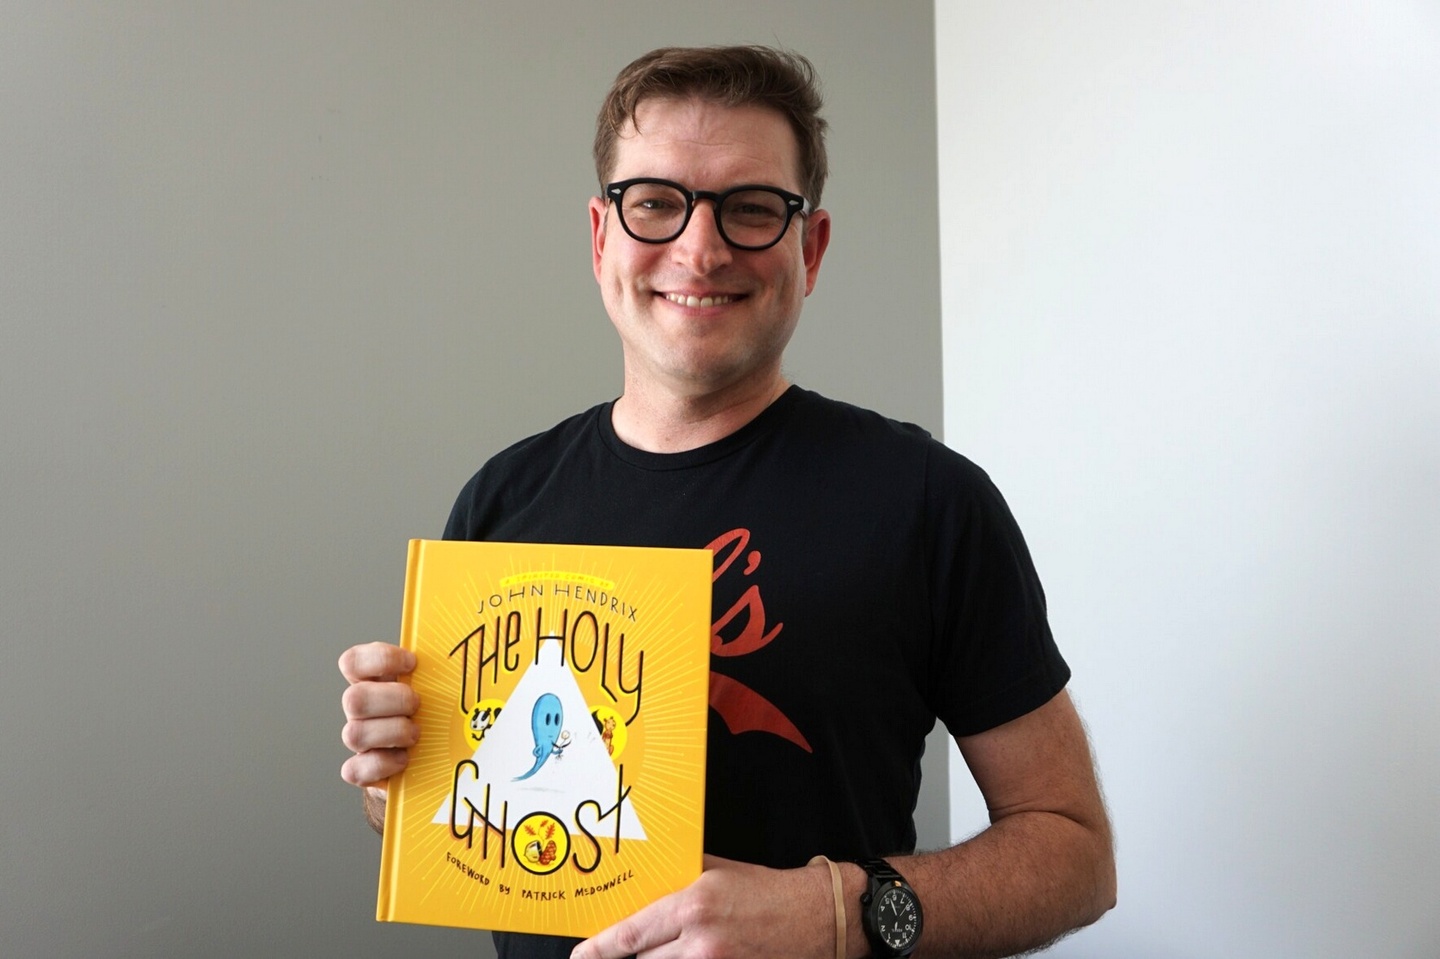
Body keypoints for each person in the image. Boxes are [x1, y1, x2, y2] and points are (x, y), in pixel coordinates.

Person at [340, 45, 1115, 959]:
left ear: (810, 248)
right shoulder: (503, 499)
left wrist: (838, 915)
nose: (699, 248)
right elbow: (476, 824)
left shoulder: (929, 503)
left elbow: (1075, 853)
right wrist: (400, 784)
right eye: (656, 203)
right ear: (601, 239)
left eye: (751, 209)